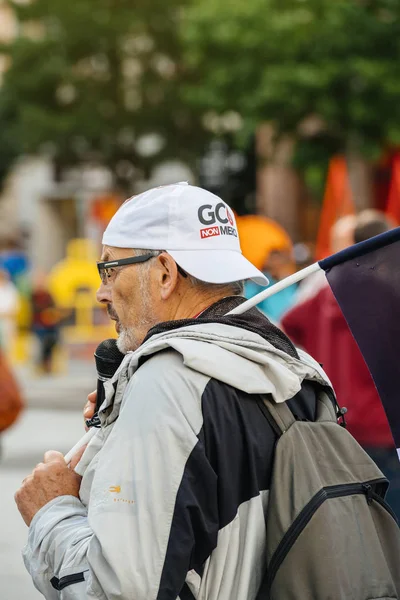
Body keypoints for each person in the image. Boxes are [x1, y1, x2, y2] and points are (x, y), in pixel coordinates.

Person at [12, 185, 393, 599]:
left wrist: (53, 513)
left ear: (164, 273)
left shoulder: (170, 380)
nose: (102, 291)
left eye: (109, 269)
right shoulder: (292, 366)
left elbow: (117, 590)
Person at [281, 209, 400, 518]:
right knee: (393, 524)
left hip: (338, 422)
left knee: (353, 523)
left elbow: (287, 326)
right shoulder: (390, 294)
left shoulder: (325, 293)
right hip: (384, 427)